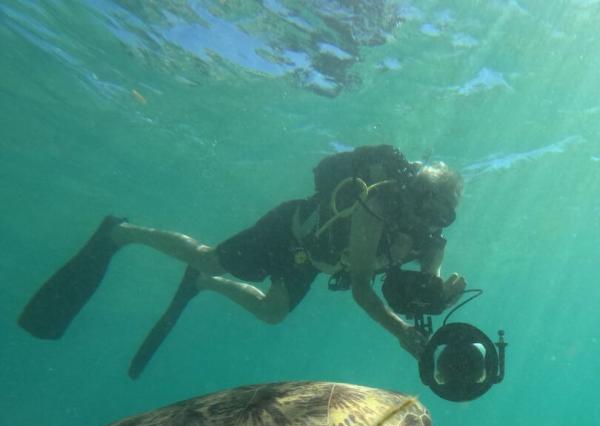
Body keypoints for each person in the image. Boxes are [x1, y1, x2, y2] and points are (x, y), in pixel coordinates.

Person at [18, 145, 466, 378]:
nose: (429, 220)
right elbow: (363, 288)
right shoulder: (379, 206)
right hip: (288, 230)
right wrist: (402, 333)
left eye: (441, 214)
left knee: (271, 313)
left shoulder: (432, 241)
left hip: (315, 261)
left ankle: (201, 285)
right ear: (411, 193)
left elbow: (425, 288)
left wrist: (440, 293)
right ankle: (122, 232)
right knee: (209, 257)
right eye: (427, 206)